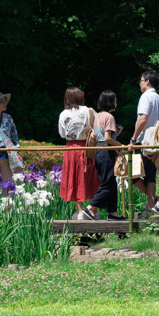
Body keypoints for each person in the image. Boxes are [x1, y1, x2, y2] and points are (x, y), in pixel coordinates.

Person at [57, 87, 100, 219]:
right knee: (92, 177)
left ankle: (80, 212)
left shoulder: (63, 114)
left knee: (75, 178)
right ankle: (94, 210)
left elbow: (62, 134)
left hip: (71, 148)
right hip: (88, 147)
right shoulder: (89, 111)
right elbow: (99, 127)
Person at [83, 91, 125, 221]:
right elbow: (107, 138)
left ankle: (112, 213)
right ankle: (90, 208)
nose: (116, 103)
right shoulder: (109, 117)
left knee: (109, 182)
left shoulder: (98, 116)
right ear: (110, 101)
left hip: (98, 153)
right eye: (115, 100)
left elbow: (100, 136)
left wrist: (116, 133)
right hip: (106, 152)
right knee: (108, 184)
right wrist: (120, 145)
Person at [129, 70, 159, 212]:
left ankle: (153, 201)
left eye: (141, 80)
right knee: (150, 176)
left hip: (142, 142)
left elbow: (142, 118)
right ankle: (152, 207)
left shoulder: (146, 97)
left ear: (147, 81)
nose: (140, 83)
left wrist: (133, 139)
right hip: (154, 142)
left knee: (131, 173)